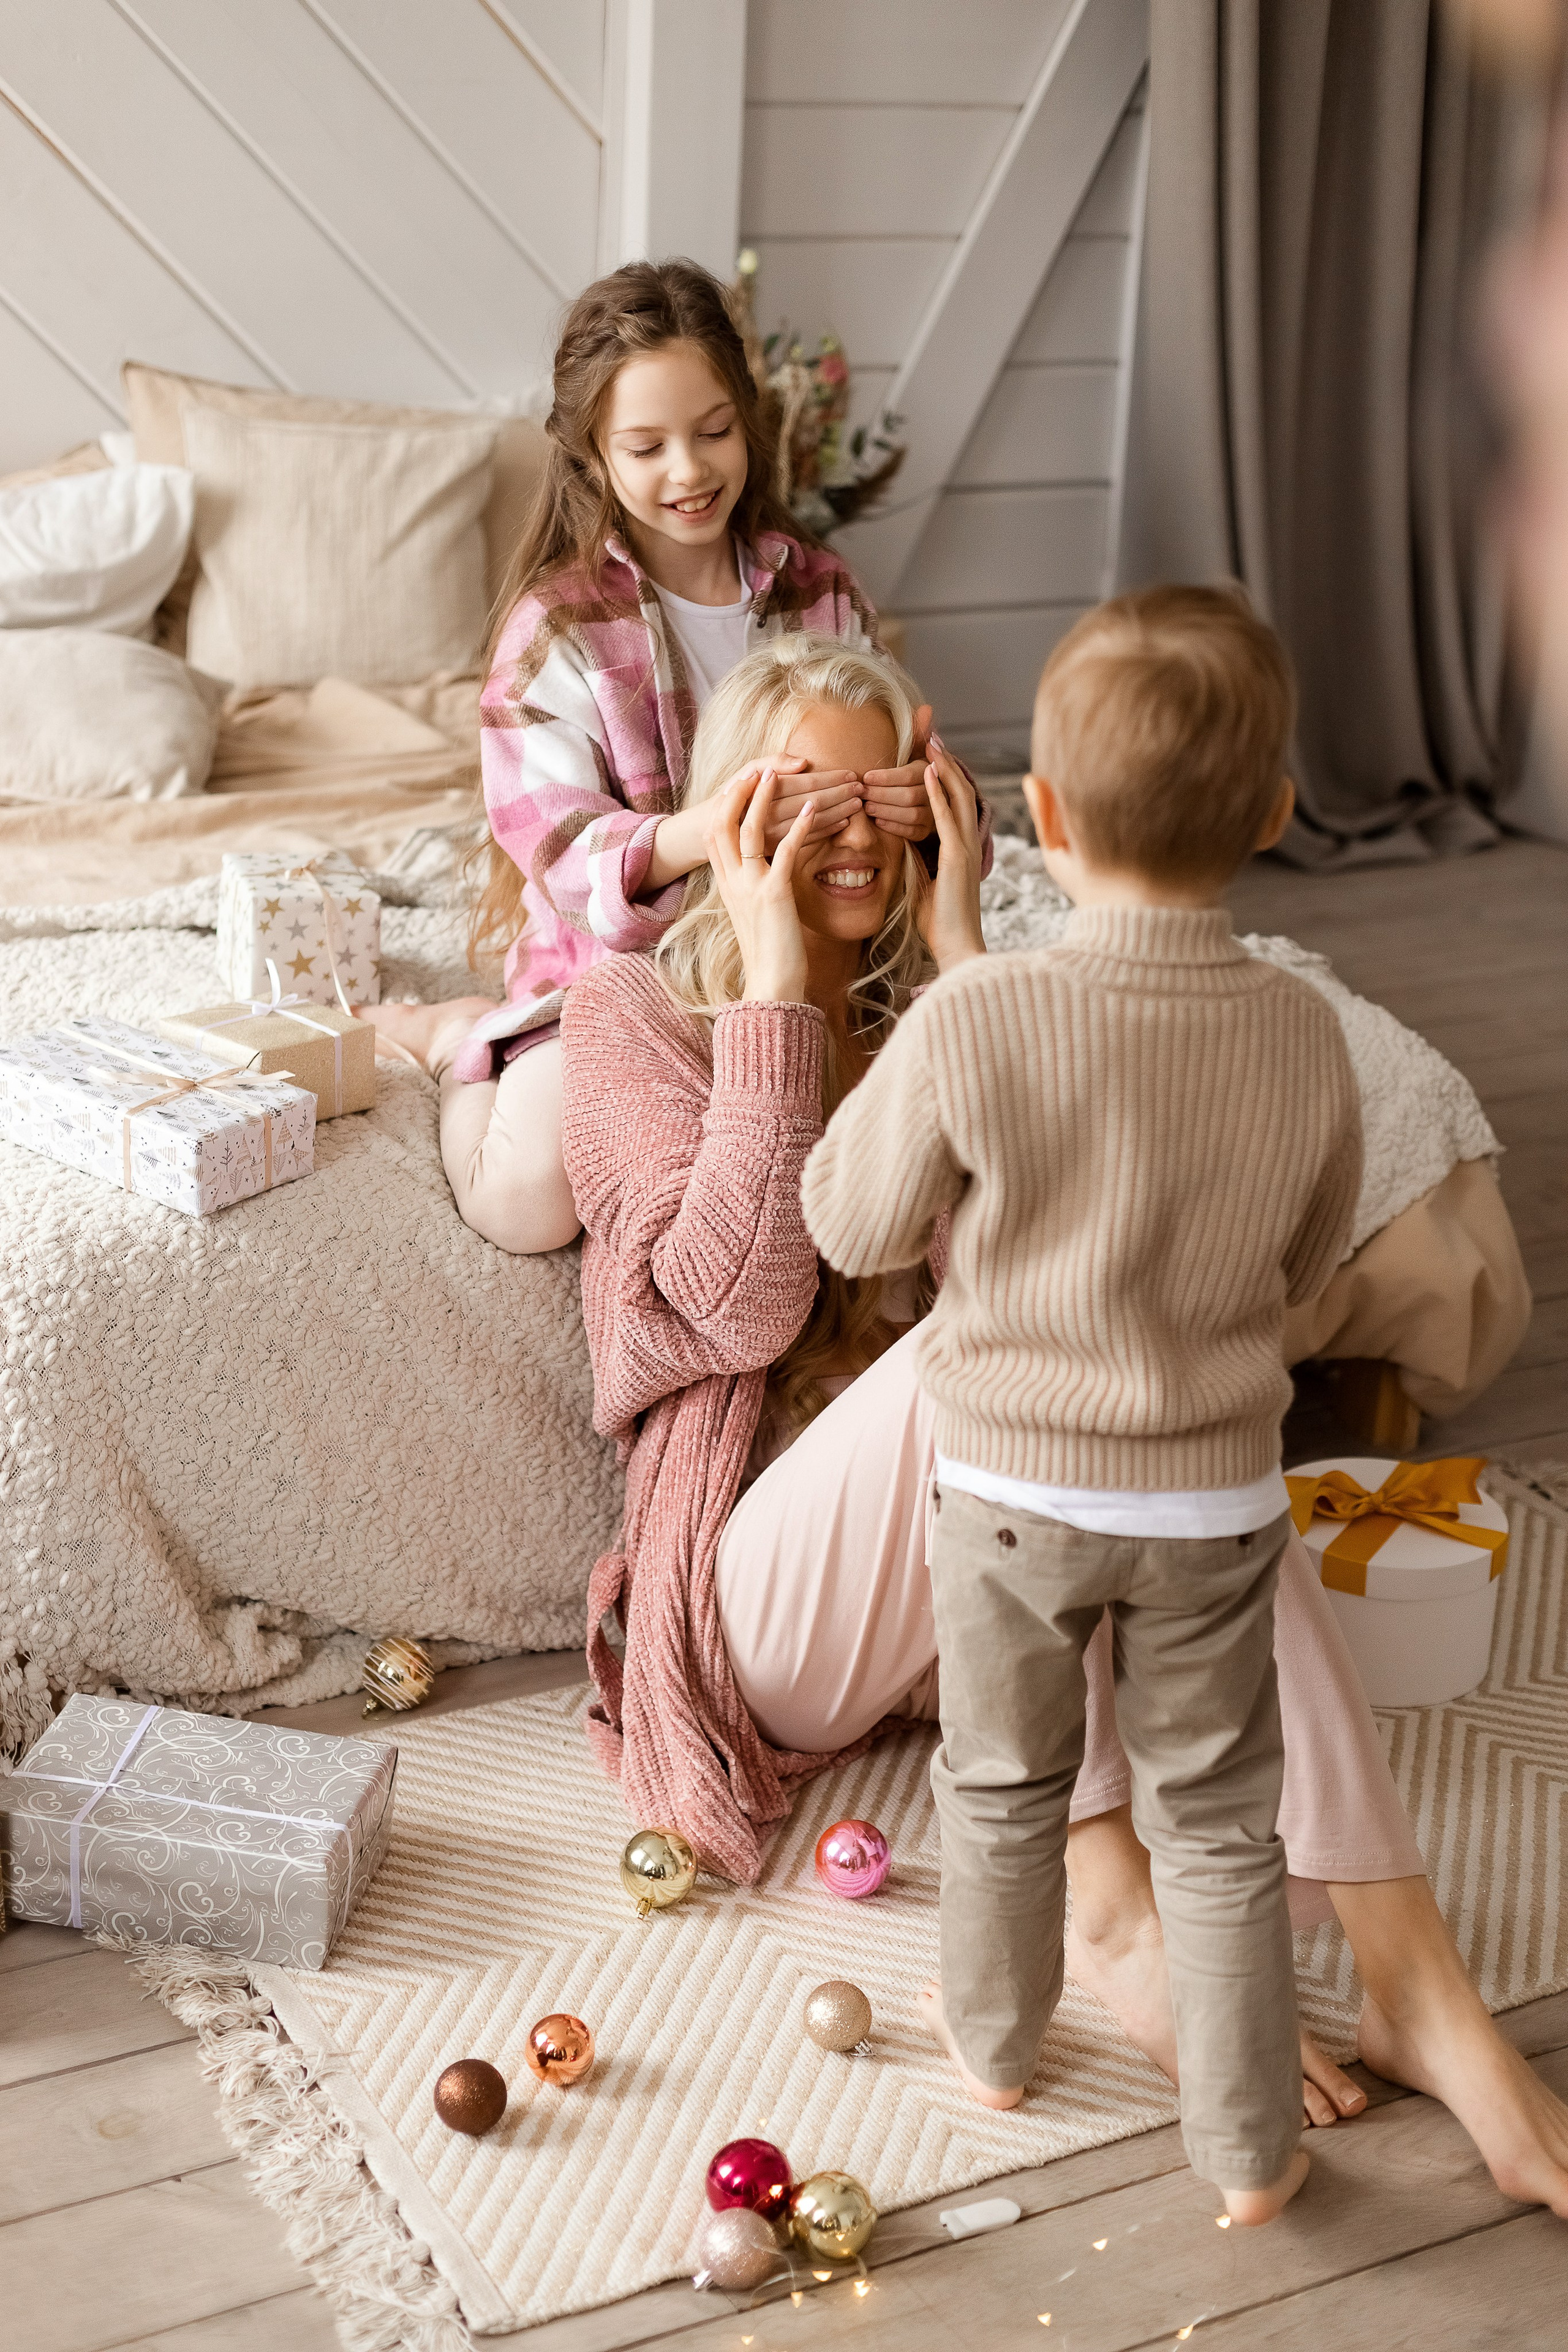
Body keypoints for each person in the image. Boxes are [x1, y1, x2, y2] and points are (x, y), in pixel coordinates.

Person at [562, 629, 1568, 2222]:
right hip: (756, 1615)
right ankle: (1110, 1919)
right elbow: (736, 1306)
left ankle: (1420, 1986)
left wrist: (968, 953)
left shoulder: (968, 1011)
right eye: (799, 797)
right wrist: (771, 989)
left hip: (985, 1582)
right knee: (1023, 1352)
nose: (844, 836)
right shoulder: (628, 1019)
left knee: (1179, 1451)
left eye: (880, 797)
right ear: (731, 815)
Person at [363, 257, 981, 1253]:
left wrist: (925, 814)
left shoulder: (821, 592)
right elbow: (560, 854)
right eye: (646, 447)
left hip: (821, 967)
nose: (689, 473)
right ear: (593, 459)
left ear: (750, 421)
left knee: (942, 1146)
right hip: (623, 981)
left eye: (714, 433)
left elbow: (924, 769)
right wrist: (705, 835)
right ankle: (454, 1037)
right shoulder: (554, 631)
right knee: (527, 1205)